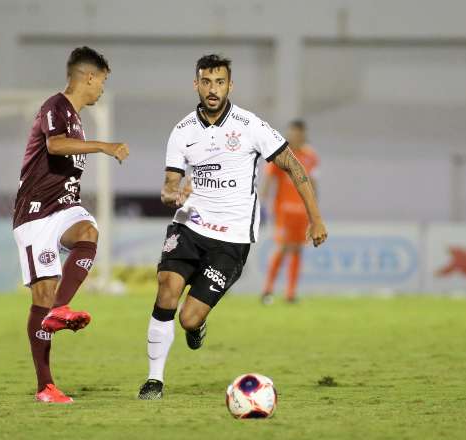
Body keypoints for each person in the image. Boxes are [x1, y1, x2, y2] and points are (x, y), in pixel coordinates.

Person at [137, 54, 327, 400]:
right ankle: (154, 380)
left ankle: (198, 324)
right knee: (166, 287)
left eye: (219, 82)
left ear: (230, 85)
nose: (213, 89)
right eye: (206, 82)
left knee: (189, 319)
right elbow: (171, 182)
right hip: (190, 225)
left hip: (232, 236)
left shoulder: (250, 125)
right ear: (196, 84)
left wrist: (315, 218)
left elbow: (294, 167)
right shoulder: (182, 131)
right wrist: (170, 194)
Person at [12, 46, 129, 404]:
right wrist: (104, 146)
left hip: (63, 209)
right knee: (41, 299)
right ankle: (45, 386)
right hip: (34, 214)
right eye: (103, 81)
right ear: (89, 77)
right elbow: (55, 144)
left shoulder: (77, 117)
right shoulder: (55, 107)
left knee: (88, 233)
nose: (103, 89)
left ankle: (61, 308)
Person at [260, 120, 320, 304]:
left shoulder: (311, 156)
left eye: (299, 133)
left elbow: (314, 184)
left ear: (303, 134)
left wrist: (314, 211)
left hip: (302, 212)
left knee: (297, 249)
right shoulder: (281, 153)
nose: (296, 136)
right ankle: (267, 290)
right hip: (284, 210)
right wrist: (261, 204)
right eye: (293, 132)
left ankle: (290, 294)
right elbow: (269, 180)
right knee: (283, 247)